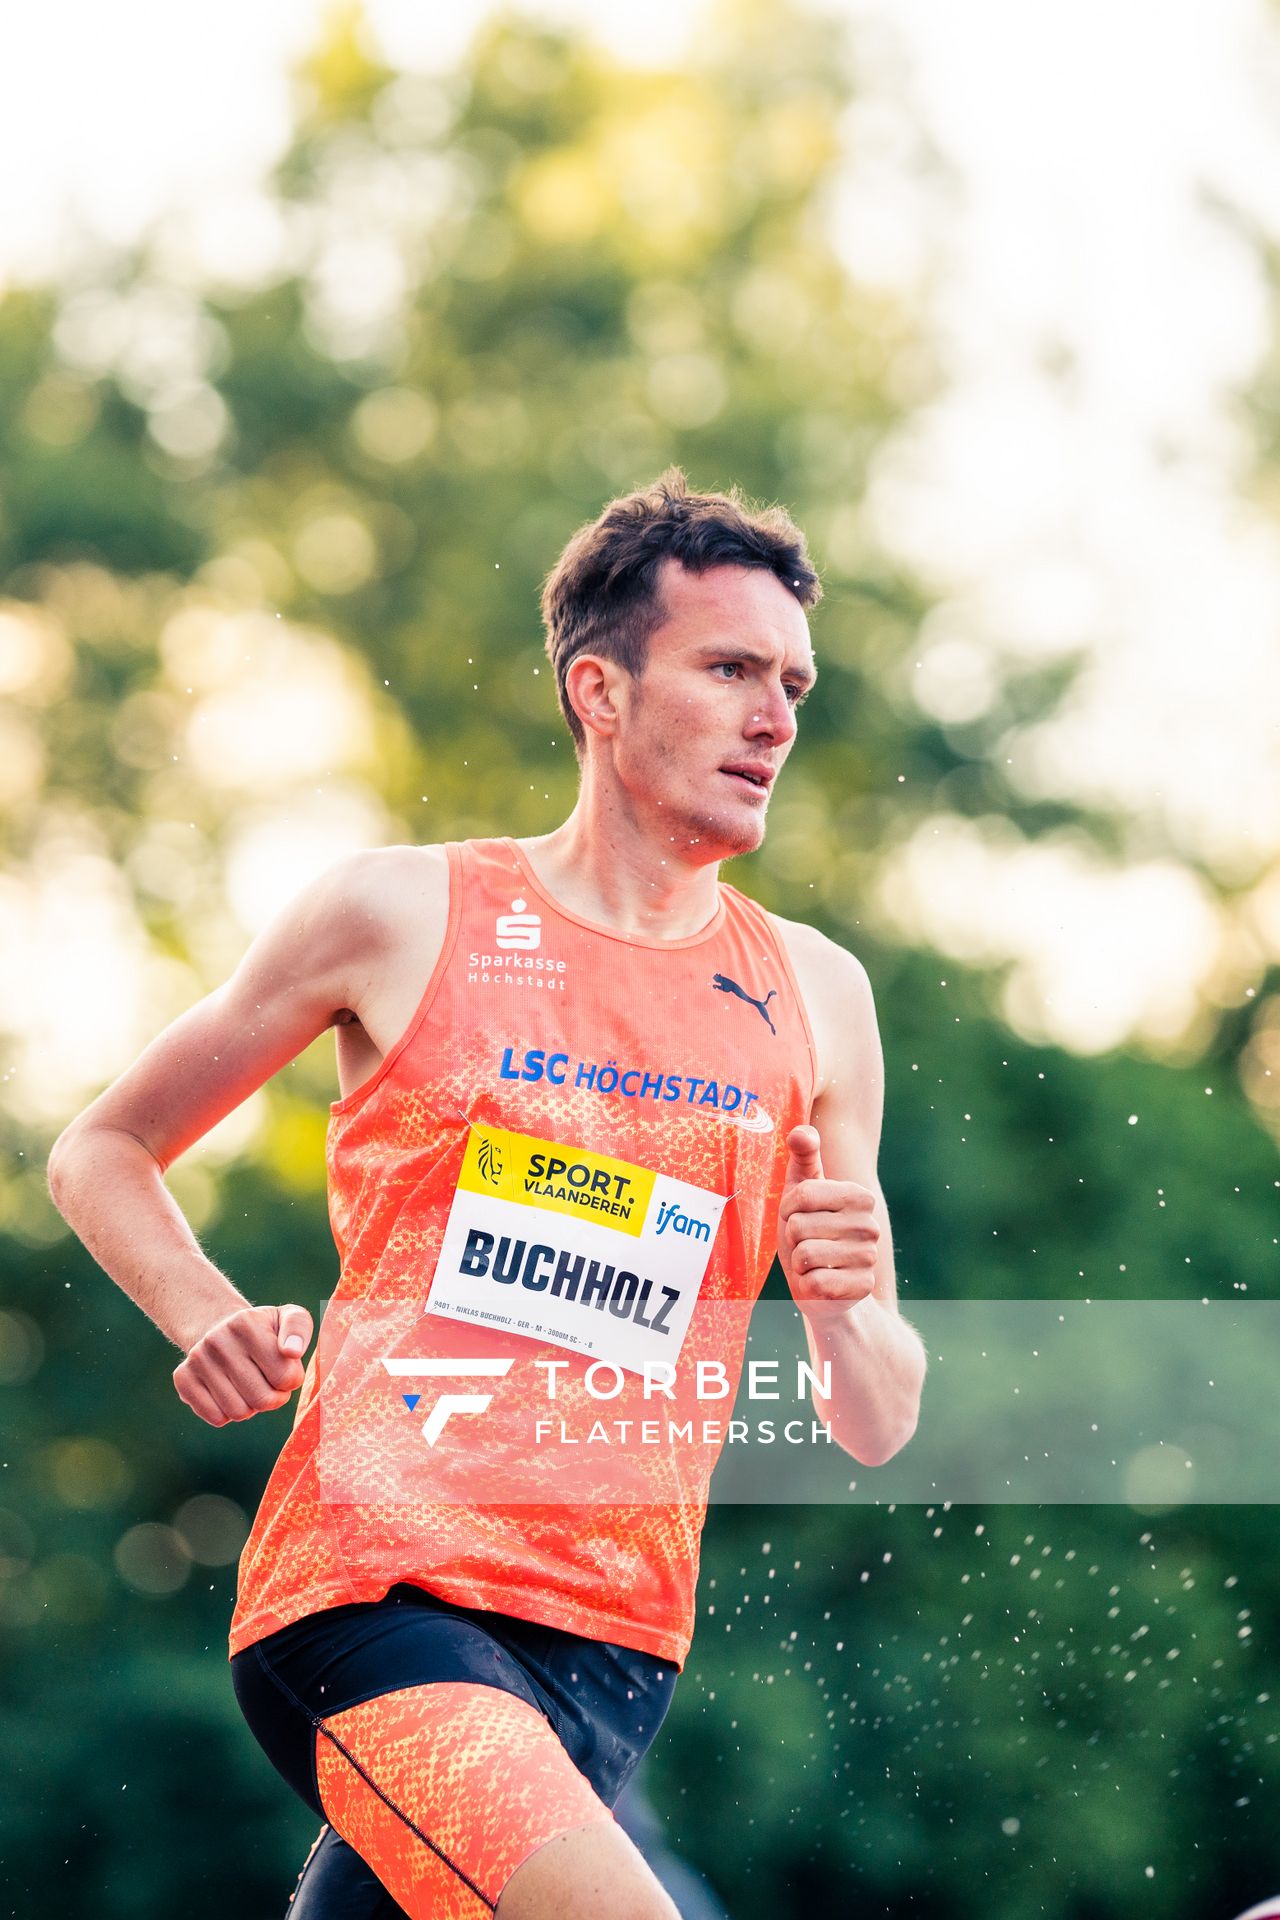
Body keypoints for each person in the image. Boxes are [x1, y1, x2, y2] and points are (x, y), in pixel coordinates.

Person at [47, 469, 927, 1919]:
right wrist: (205, 1314)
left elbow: (878, 1417)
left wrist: (845, 1313)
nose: (776, 720)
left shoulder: (818, 995)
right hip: (378, 1599)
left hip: (616, 1650)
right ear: (599, 688)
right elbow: (103, 1148)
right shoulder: (399, 913)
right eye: (729, 670)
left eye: (793, 683)